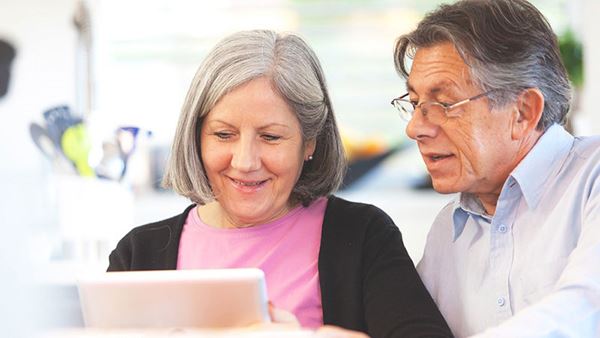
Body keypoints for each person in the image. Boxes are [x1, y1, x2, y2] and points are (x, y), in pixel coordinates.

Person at [108, 30, 452, 338]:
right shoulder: (138, 254)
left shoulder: (361, 235)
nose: (244, 162)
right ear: (197, 136)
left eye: (270, 137)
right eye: (223, 134)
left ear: (310, 142)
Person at [390, 0, 600, 337]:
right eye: (415, 104)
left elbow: (586, 310)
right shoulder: (449, 230)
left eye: (443, 104)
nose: (415, 128)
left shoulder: (593, 178)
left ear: (523, 112)